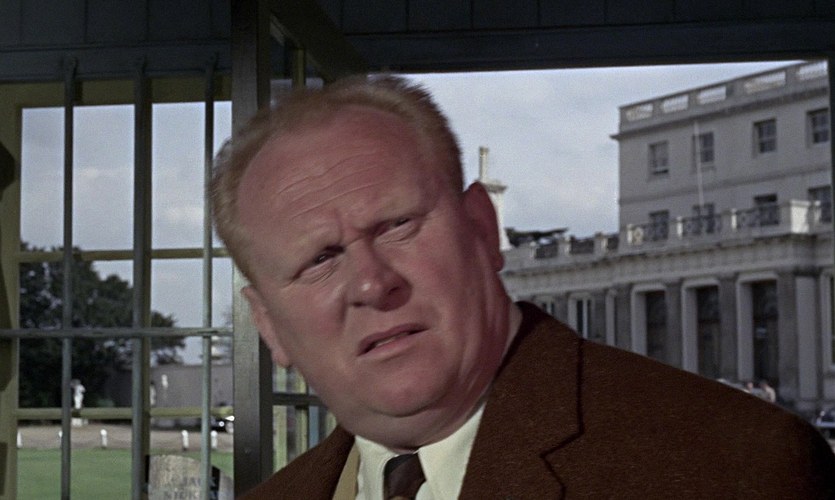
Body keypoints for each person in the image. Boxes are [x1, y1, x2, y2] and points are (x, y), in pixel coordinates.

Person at [211, 76, 835, 499]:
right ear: (268, 326)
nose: (372, 283)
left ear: (483, 230)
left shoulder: (738, 469)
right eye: (320, 259)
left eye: (397, 225)